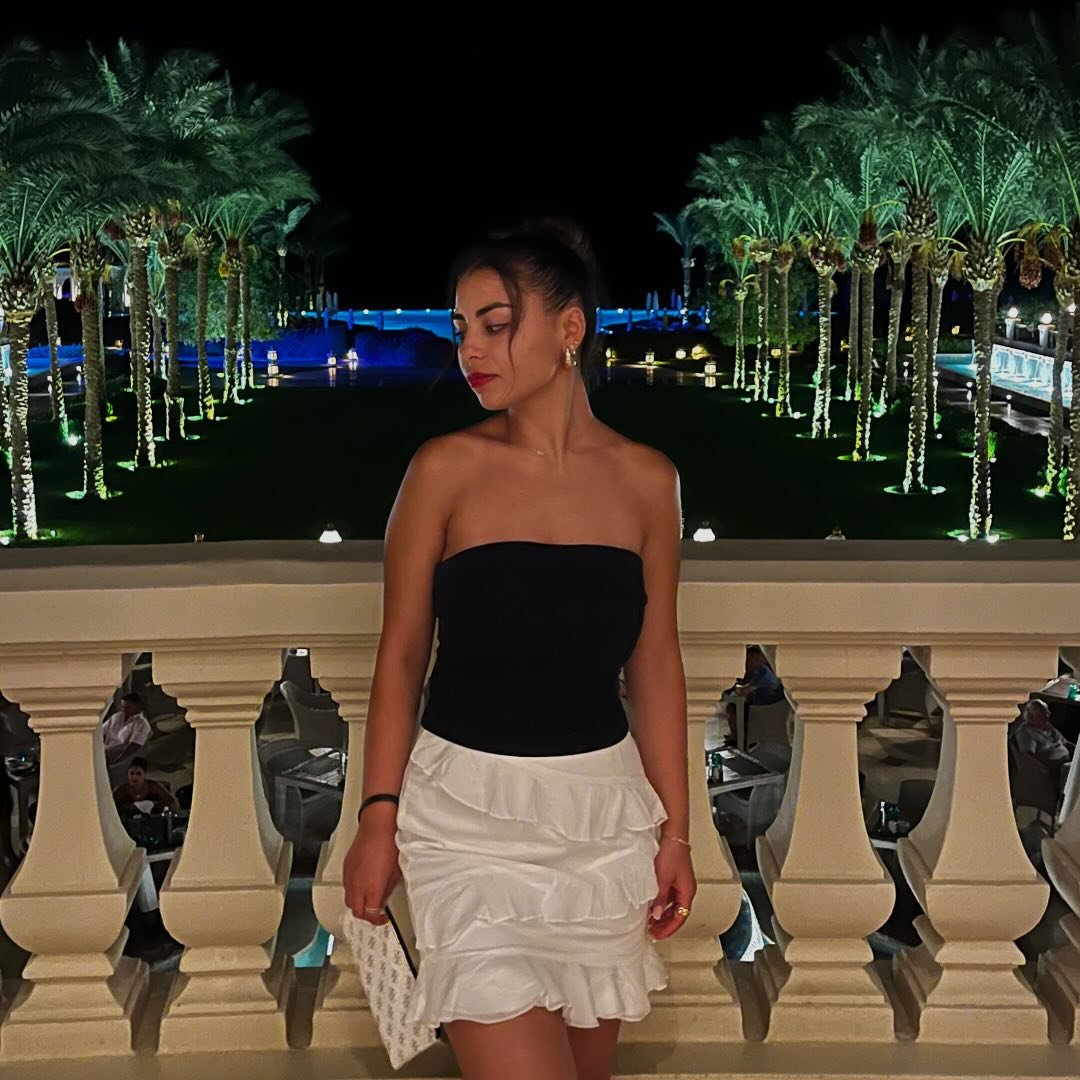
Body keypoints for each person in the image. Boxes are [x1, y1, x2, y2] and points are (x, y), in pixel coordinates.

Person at [343, 220, 692, 1080]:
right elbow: (400, 657)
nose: (470, 349)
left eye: (495, 325)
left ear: (570, 328)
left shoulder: (649, 481)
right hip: (465, 824)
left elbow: (654, 663)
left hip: (600, 822)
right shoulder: (444, 470)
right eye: (461, 327)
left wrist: (677, 834)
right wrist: (377, 816)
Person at [112, 756, 179, 815]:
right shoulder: (121, 790)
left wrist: (153, 804)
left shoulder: (153, 787)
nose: (134, 777)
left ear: (144, 775)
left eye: (138, 773)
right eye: (132, 773)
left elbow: (172, 803)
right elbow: (109, 807)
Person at [102, 692, 151, 766]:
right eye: (123, 706)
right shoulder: (117, 716)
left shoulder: (142, 724)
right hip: (104, 750)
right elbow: (101, 731)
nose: (124, 709)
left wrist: (117, 762)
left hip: (118, 757)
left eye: (127, 707)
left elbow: (133, 746)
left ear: (137, 706)